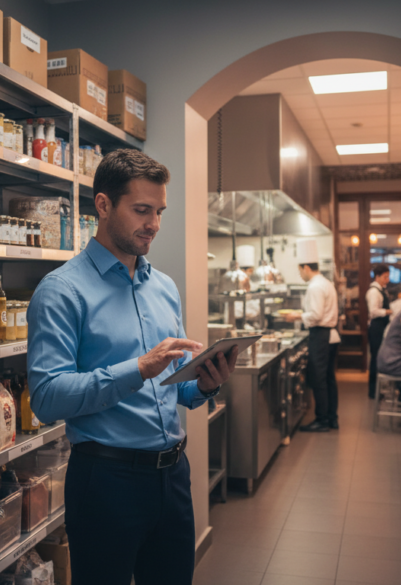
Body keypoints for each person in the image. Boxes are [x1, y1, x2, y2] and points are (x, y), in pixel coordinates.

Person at [26, 149, 239, 585]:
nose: (154, 225)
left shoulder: (163, 287)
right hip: (105, 480)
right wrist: (137, 368)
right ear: (103, 205)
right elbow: (46, 398)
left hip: (174, 477)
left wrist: (203, 385)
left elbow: (173, 389)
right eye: (142, 210)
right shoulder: (62, 291)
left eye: (159, 211)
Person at [284, 240, 340, 431]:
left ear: (306, 267)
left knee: (319, 379)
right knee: (329, 379)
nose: (300, 274)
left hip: (320, 335)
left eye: (300, 270)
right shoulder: (326, 283)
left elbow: (315, 316)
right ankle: (332, 417)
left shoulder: (315, 286)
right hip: (330, 335)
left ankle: (322, 420)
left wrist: (296, 315)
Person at [366, 264, 392, 398]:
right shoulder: (373, 292)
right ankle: (373, 392)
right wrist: (389, 311)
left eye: (388, 277)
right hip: (376, 328)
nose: (387, 280)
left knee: (378, 358)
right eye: (385, 277)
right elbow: (373, 311)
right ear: (377, 277)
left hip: (381, 327)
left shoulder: (381, 290)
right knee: (375, 359)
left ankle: (376, 390)